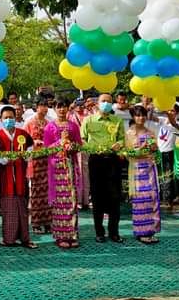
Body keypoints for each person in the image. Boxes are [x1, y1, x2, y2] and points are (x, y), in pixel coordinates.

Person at [81, 93, 125, 244]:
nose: (106, 104)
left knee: (114, 197)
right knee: (98, 197)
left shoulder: (117, 120)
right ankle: (99, 232)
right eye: (103, 101)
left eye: (109, 101)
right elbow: (82, 139)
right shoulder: (88, 120)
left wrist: (119, 144)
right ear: (97, 103)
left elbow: (122, 138)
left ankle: (114, 232)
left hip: (113, 161)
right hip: (96, 160)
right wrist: (92, 147)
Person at [0, 106, 38, 249]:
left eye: (11, 117)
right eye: (5, 118)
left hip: (21, 178)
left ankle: (25, 238)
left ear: (15, 117)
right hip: (5, 180)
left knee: (23, 210)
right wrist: (6, 159)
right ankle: (9, 239)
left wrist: (25, 155)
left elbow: (30, 150)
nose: (9, 120)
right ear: (1, 120)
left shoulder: (22, 134)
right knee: (9, 209)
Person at [44, 98, 83, 249]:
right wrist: (61, 142)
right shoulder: (50, 127)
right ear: (54, 108)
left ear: (68, 108)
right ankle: (60, 236)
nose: (61, 110)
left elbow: (79, 145)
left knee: (71, 200)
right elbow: (47, 149)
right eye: (59, 107)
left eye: (64, 107)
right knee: (59, 202)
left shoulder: (73, 126)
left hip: (70, 167)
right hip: (56, 168)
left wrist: (71, 145)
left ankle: (72, 234)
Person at [125, 106, 161, 244]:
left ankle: (150, 230)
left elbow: (156, 155)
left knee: (151, 198)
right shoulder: (128, 134)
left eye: (143, 115)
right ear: (133, 117)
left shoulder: (150, 133)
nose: (141, 118)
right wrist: (140, 149)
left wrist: (154, 149)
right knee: (140, 200)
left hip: (150, 169)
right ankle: (141, 232)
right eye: (138, 115)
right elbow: (128, 154)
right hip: (136, 169)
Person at [24, 99, 52, 235]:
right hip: (34, 160)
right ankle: (35, 223)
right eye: (42, 105)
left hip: (47, 160)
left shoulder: (49, 123)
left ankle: (47, 222)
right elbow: (23, 141)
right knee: (35, 191)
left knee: (48, 190)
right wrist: (34, 142)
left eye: (46, 106)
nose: (45, 108)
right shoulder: (29, 122)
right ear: (37, 107)